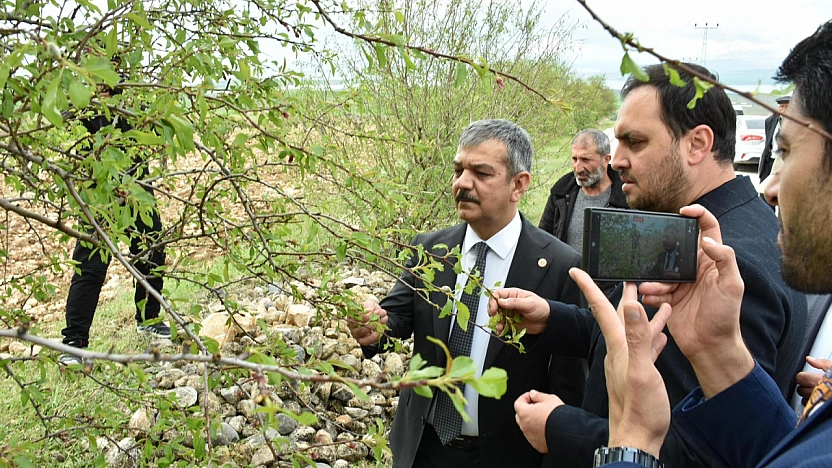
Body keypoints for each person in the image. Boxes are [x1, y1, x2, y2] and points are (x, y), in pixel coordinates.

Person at [490, 64, 807, 467]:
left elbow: (698, 449)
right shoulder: (702, 226)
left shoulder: (724, 264)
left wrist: (560, 427)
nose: (616, 160)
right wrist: (551, 320)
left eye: (634, 142)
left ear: (697, 144)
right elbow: (647, 334)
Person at [584, 21, 832, 467]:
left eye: (786, 152)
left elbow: (701, 455)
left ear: (698, 143)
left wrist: (624, 443)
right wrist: (721, 356)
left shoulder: (731, 259)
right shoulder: (695, 235)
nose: (771, 186)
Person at [348, 119, 586, 468]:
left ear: (518, 185)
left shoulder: (559, 265)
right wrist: (373, 326)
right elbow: (396, 320)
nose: (462, 183)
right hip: (422, 447)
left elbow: (568, 387)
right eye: (459, 169)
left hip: (506, 456)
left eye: (481, 173)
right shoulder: (429, 248)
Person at [59, 81, 170, 366]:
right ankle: (74, 341)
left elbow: (157, 129)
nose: (104, 87)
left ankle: (148, 318)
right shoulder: (81, 106)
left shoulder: (133, 102)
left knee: (152, 252)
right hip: (99, 196)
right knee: (91, 265)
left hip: (137, 190)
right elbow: (62, 125)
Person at [538, 129, 628, 297]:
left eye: (586, 159)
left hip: (609, 297)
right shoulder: (560, 193)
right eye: (574, 159)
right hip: (566, 293)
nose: (578, 168)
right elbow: (543, 241)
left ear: (606, 160)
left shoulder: (626, 197)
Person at [757, 94, 791, 183]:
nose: (783, 109)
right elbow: (768, 141)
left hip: (785, 162)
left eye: (787, 107)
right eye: (781, 106)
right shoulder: (770, 120)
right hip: (770, 160)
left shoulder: (796, 122)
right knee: (764, 188)